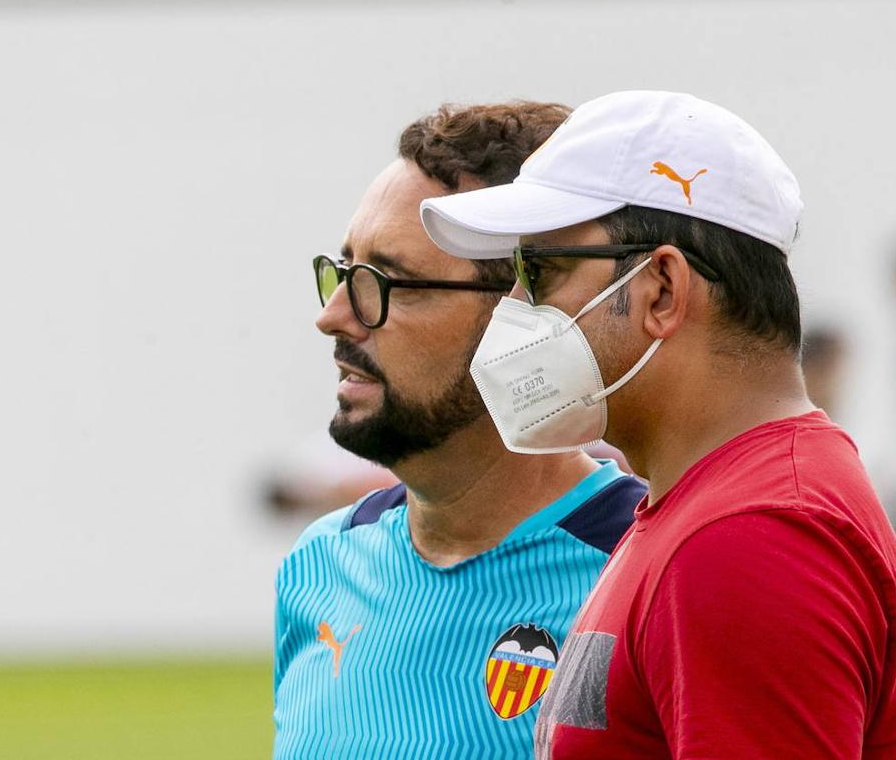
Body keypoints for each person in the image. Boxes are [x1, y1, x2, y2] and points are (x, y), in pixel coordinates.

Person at [421, 90, 896, 759]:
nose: (511, 307)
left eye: (540, 272)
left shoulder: (750, 536)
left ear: (660, 288)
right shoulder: (715, 508)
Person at [272, 102, 648, 760]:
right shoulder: (318, 565)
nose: (334, 317)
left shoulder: (648, 571)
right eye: (342, 271)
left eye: (385, 281)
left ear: (527, 313)